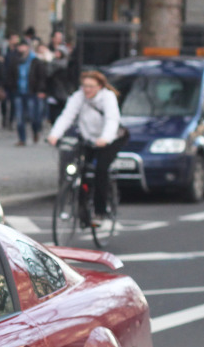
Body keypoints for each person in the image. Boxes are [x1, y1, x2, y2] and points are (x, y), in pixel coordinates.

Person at [47, 70, 124, 231]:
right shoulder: (78, 97)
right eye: (85, 86)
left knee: (101, 170)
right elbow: (67, 116)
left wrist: (105, 139)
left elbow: (112, 120)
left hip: (110, 138)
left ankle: (100, 211)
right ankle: (83, 213)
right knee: (79, 171)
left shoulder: (107, 97)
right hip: (88, 138)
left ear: (100, 86)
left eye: (91, 86)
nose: (87, 90)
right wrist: (54, 135)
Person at [8, 40, 48, 146]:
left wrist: (41, 90)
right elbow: (10, 75)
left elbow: (41, 77)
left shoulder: (35, 61)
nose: (21, 49)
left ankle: (35, 131)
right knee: (19, 117)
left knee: (33, 116)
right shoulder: (15, 60)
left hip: (31, 92)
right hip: (18, 92)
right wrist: (11, 87)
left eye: (23, 46)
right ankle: (22, 138)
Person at [0, 34, 20, 129]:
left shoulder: (17, 52)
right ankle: (4, 118)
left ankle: (11, 121)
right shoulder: (4, 50)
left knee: (13, 103)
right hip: (4, 80)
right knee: (3, 102)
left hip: (13, 81)